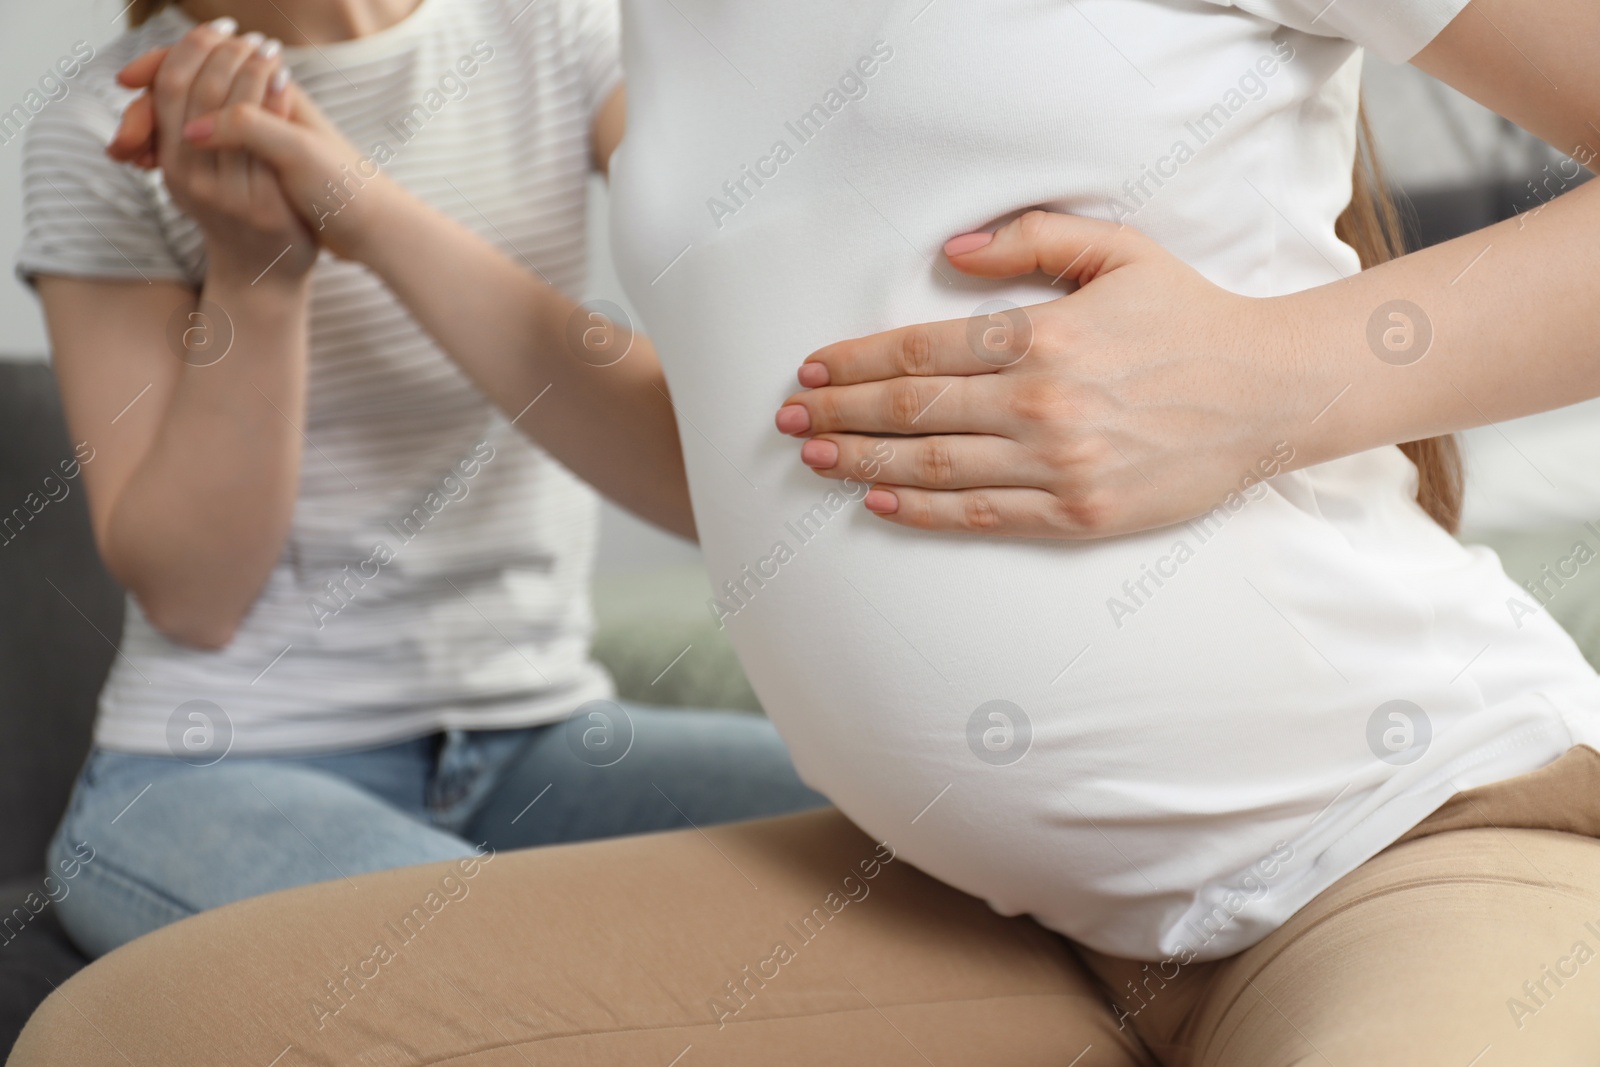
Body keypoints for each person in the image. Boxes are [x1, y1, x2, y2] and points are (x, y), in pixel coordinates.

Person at [16, 0, 1600, 1062]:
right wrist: (335, 226)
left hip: (1389, 840)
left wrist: (1276, 379)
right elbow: (748, 456)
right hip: (1000, 914)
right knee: (137, 1033)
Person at [18, 0, 823, 961]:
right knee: (501, 975)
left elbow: (715, 489)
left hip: (540, 733)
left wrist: (366, 210)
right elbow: (196, 599)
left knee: (946, 842)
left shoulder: (560, 33)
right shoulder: (103, 123)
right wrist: (258, 271)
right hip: (216, 770)